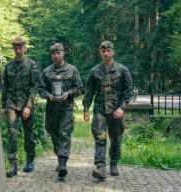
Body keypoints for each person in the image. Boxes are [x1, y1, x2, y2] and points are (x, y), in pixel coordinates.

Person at [82, 41, 133, 180]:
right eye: (103, 51)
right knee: (100, 138)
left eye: (108, 50)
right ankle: (100, 168)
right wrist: (86, 109)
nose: (106, 53)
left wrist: (122, 107)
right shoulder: (94, 71)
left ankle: (114, 163)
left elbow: (129, 91)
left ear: (113, 52)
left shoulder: (122, 70)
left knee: (116, 139)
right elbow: (89, 91)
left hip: (116, 111)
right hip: (100, 110)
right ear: (100, 52)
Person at [39, 43, 83, 178]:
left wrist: (69, 93)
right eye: (54, 53)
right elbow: (40, 89)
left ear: (63, 53)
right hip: (52, 109)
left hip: (66, 108)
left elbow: (80, 88)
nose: (56, 55)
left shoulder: (72, 70)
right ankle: (60, 158)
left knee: (64, 133)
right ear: (51, 55)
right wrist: (47, 95)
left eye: (58, 53)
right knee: (54, 134)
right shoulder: (47, 72)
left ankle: (63, 164)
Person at [1, 37, 40, 177]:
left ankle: (30, 160)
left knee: (28, 133)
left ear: (24, 48)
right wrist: (3, 106)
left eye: (20, 47)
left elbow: (35, 87)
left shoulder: (31, 65)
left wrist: (28, 106)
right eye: (16, 48)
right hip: (11, 103)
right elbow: (5, 86)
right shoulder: (8, 66)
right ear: (13, 49)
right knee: (12, 133)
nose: (18, 50)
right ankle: (13, 164)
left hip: (26, 103)